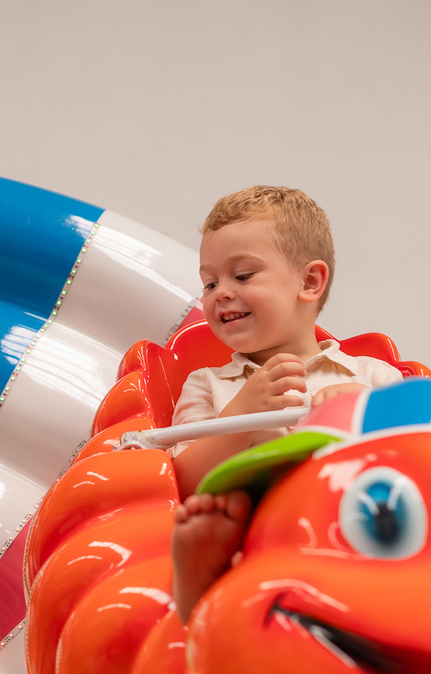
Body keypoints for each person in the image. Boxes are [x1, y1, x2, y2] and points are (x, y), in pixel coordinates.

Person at [170, 186, 402, 623]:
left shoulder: (372, 378)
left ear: (309, 282)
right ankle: (202, 590)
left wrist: (360, 417)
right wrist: (241, 415)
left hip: (358, 543)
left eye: (242, 276)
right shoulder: (207, 386)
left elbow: (421, 459)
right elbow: (180, 482)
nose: (220, 293)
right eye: (209, 281)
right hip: (258, 550)